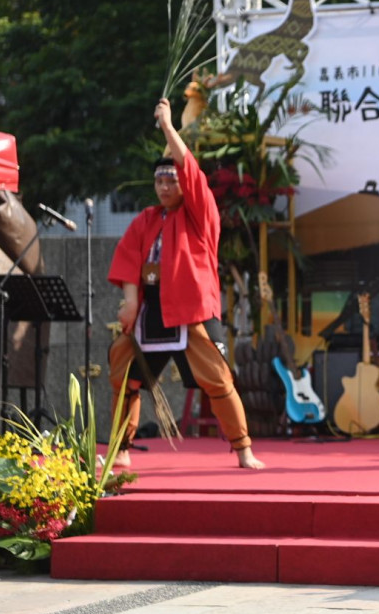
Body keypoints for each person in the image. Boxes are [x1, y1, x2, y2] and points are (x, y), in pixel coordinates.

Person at [107, 99, 264, 470]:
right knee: (124, 375)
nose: (164, 187)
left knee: (219, 380)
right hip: (151, 312)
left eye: (170, 180)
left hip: (191, 310)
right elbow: (129, 258)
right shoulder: (147, 219)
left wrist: (167, 126)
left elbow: (190, 170)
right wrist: (130, 301)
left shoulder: (200, 214)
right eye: (158, 181)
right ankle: (121, 449)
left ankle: (243, 448)